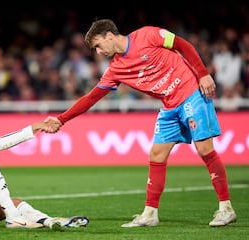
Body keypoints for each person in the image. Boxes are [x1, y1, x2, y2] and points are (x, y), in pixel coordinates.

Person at [44, 19, 236, 227]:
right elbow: (91, 98)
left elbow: (182, 44)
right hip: (170, 105)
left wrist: (203, 73)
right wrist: (61, 119)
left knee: (205, 149)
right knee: (156, 154)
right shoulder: (115, 69)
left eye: (98, 45)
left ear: (109, 35)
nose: (98, 52)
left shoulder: (147, 35)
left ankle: (226, 208)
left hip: (191, 92)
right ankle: (150, 214)